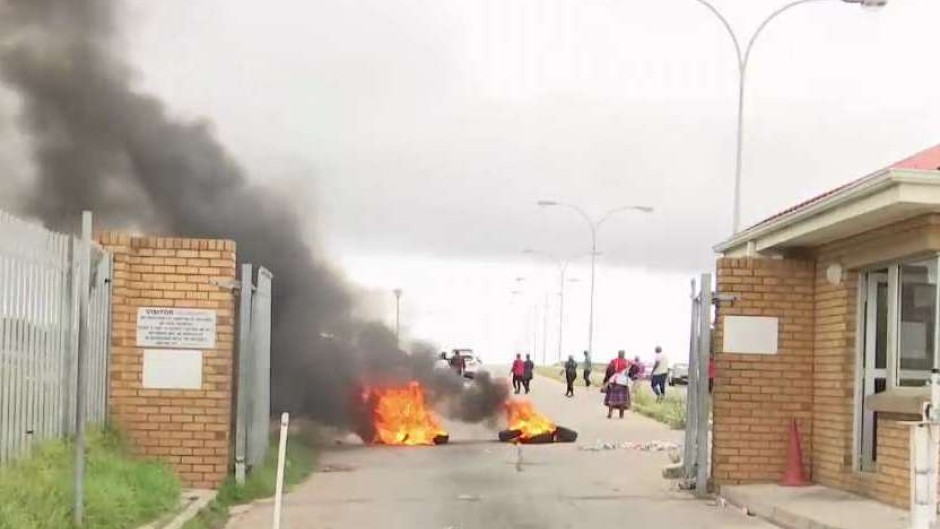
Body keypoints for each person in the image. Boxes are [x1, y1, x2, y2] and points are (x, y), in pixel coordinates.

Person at [603, 351, 631, 418]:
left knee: (612, 398)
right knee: (622, 400)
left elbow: (609, 370)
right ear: (624, 354)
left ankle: (610, 413)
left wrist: (606, 379)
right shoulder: (628, 362)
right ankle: (621, 415)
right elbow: (634, 370)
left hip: (614, 381)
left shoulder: (614, 361)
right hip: (624, 382)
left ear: (618, 354)